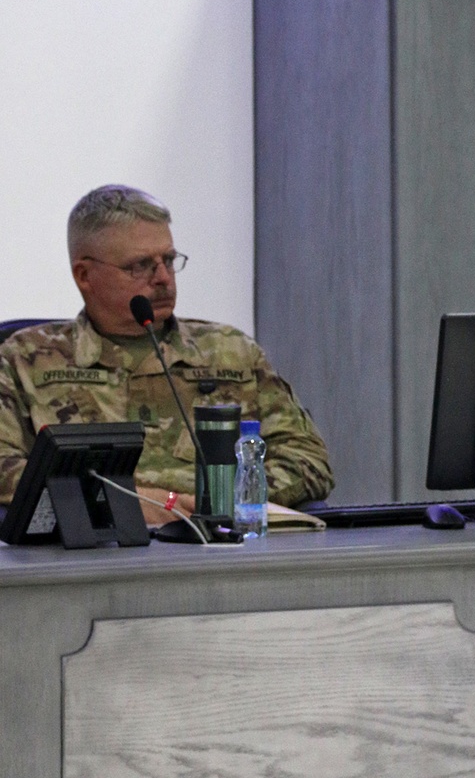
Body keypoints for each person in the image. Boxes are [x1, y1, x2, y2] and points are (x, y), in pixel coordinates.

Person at [0, 185, 333, 524]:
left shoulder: (230, 352)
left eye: (169, 261)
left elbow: (306, 458)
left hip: (220, 541)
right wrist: (119, 501)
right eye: (140, 265)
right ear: (84, 275)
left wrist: (213, 500)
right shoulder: (25, 359)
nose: (162, 278)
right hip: (96, 549)